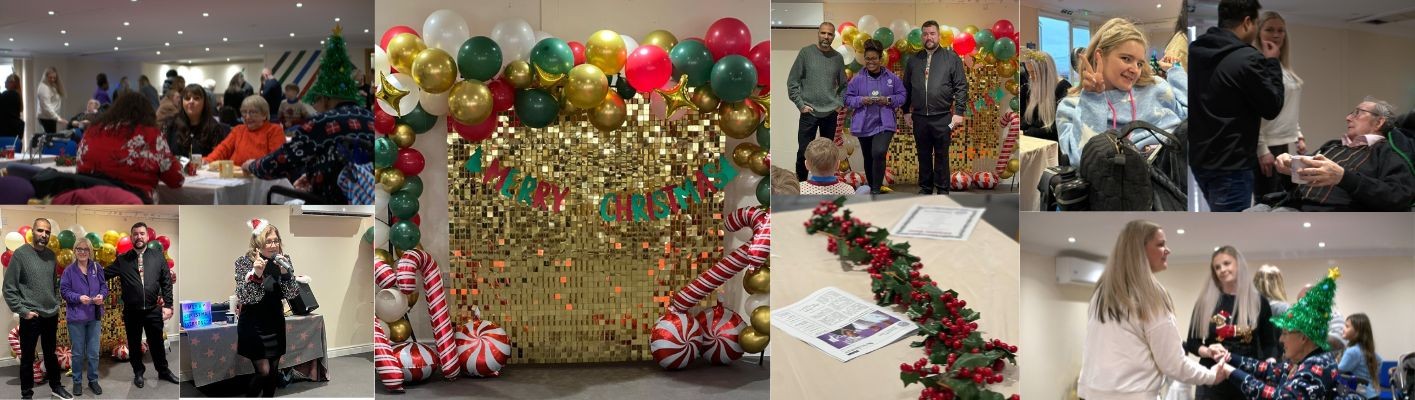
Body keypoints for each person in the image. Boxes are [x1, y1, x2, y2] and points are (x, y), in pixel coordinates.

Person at [1080, 220, 1228, 399]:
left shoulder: (1101, 293)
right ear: (1140, 250)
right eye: (1160, 244)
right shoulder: (1150, 296)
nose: (1168, 250)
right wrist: (1211, 376)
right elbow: (1173, 364)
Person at [246, 33, 374, 205]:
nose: (315, 107)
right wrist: (313, 175)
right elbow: (345, 162)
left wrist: (252, 165)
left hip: (329, 208)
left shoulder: (321, 122)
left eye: (316, 101)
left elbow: (280, 161)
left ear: (325, 98)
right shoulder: (371, 118)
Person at [1190, 0, 1285, 211]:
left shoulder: (1196, 50)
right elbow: (1272, 107)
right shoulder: (1249, 58)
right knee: (1231, 228)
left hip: (1200, 159)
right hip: (1231, 164)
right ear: (1247, 21)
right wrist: (1272, 62)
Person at [1057, 18, 1187, 165]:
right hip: (1141, 179)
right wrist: (1093, 98)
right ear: (1100, 56)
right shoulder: (1070, 106)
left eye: (1139, 63)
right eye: (1126, 58)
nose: (1135, 69)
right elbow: (1081, 161)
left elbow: (1189, 115)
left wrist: (1176, 72)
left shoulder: (1156, 86)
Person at [1218, 268, 1355, 399]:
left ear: (1303, 337)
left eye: (1285, 333)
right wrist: (1228, 357)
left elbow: (1280, 397)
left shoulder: (1316, 366)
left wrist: (1231, 372)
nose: (1281, 339)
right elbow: (1268, 369)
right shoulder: (1302, 362)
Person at [1259, 97, 1415, 211]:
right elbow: (1296, 186)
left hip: (1329, 218)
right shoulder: (1332, 145)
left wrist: (1343, 177)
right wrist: (1289, 170)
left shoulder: (1388, 151)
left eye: (1357, 113)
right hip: (1288, 206)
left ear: (1379, 122)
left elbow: (1398, 196)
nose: (1348, 118)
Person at [1183, 246, 1279, 399]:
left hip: (1248, 376)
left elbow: (1270, 343)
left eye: (1227, 263)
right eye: (1217, 267)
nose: (1222, 269)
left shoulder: (1258, 301)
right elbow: (1192, 342)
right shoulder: (1204, 302)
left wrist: (1271, 369)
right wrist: (1208, 351)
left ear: (1239, 265)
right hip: (1213, 375)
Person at [2, 218, 75, 400]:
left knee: (51, 354)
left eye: (47, 232)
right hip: (30, 316)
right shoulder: (20, 254)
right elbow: (9, 288)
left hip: (51, 314)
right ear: (33, 232)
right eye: (40, 231)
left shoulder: (51, 256)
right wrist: (22, 310)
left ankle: (56, 387)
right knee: (27, 358)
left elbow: (54, 285)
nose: (44, 235)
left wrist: (56, 303)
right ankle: (27, 394)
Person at [103, 222, 177, 388]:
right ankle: (138, 372)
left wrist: (168, 305)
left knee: (157, 343)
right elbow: (103, 274)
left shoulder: (158, 256)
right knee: (134, 344)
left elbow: (166, 281)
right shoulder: (123, 259)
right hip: (132, 311)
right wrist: (84, 273)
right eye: (135, 234)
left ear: (147, 236)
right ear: (131, 237)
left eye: (142, 233)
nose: (139, 237)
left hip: (153, 309)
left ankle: (163, 371)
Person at [233, 219, 300, 397]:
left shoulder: (283, 260)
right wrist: (256, 274)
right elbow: (247, 297)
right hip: (253, 325)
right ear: (258, 243)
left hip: (275, 323)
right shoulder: (244, 262)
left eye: (276, 240)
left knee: (273, 370)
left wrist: (286, 274)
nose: (274, 245)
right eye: (268, 241)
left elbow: (292, 294)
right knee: (263, 371)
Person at [77, 91, 185, 198]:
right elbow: (177, 180)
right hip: (136, 209)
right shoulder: (151, 136)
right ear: (148, 114)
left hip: (92, 206)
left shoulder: (92, 131)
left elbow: (80, 169)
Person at [902, 20, 968, 194]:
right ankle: (925, 188)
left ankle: (943, 189)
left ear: (938, 36)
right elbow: (906, 87)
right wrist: (905, 112)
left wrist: (959, 112)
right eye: (925, 34)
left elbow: (961, 86)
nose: (928, 37)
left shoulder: (951, 57)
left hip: (943, 117)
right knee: (923, 155)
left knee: (941, 155)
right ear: (921, 37)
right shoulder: (913, 60)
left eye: (932, 33)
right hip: (919, 117)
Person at [1251, 12, 1307, 200]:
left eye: (1280, 30)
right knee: (1267, 200)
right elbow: (1253, 113)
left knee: (1285, 197)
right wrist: (1262, 150)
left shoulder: (1282, 67)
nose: (1276, 35)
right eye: (1270, 30)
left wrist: (1298, 135)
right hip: (1266, 146)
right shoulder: (1259, 66)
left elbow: (1288, 106)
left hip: (1283, 142)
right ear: (1258, 33)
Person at [844, 39, 906, 195]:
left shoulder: (891, 78)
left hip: (885, 124)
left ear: (880, 59)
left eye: (874, 58)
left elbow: (902, 95)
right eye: (868, 59)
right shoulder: (857, 79)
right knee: (868, 157)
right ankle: (873, 188)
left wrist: (889, 100)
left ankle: (876, 190)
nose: (871, 62)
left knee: (878, 152)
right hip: (864, 124)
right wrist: (861, 100)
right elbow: (847, 99)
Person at [788, 21, 847, 182]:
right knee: (803, 153)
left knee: (827, 155)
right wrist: (800, 105)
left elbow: (844, 85)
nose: (826, 36)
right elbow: (792, 82)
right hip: (809, 113)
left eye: (829, 34)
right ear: (818, 33)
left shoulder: (837, 58)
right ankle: (800, 187)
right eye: (823, 33)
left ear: (833, 36)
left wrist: (839, 105)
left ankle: (824, 188)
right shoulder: (806, 53)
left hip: (830, 113)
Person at [58, 238, 107, 396]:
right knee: (78, 353)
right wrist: (78, 298)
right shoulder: (69, 270)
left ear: (90, 251)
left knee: (93, 352)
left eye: (85, 249)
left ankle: (93, 380)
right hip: (76, 318)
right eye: (79, 249)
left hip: (94, 316)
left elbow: (103, 286)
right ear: (74, 250)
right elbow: (64, 291)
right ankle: (77, 381)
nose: (82, 252)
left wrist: (101, 295)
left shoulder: (96, 267)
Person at [206, 95, 286, 166]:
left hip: (261, 178)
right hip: (235, 176)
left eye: (253, 112)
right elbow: (223, 149)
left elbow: (276, 159)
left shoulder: (274, 130)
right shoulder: (238, 130)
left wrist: (254, 166)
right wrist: (207, 160)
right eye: (244, 112)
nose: (247, 117)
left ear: (264, 115)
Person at [161, 84, 231, 157]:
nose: (191, 101)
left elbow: (218, 157)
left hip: (205, 168)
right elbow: (163, 155)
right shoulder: (170, 125)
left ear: (204, 103)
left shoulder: (214, 128)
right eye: (187, 98)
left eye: (196, 98)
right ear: (182, 102)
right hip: (176, 167)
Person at [1019, 50, 1069, 143]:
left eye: (1033, 72)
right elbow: (1030, 119)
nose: (1030, 77)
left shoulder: (1063, 89)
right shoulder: (1034, 88)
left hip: (1053, 146)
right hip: (1035, 142)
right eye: (1029, 72)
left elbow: (1056, 129)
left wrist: (1026, 133)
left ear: (1046, 72)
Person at [1339, 314, 1382, 399]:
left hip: (1358, 396)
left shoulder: (1352, 351)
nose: (1343, 329)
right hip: (1373, 395)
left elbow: (1338, 371)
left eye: (1347, 326)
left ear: (1357, 332)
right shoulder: (1369, 351)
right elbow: (1380, 361)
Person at [37, 67, 65, 134]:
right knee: (50, 139)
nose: (52, 79)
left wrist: (56, 117)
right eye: (50, 77)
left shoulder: (51, 86)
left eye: (54, 78)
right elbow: (46, 106)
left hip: (50, 118)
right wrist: (57, 118)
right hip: (47, 118)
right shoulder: (44, 87)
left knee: (50, 138)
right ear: (45, 77)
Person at [1, 74, 21, 139]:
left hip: (7, 129)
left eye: (6, 81)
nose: (5, 82)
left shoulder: (10, 95)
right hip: (12, 129)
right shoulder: (16, 95)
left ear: (12, 83)